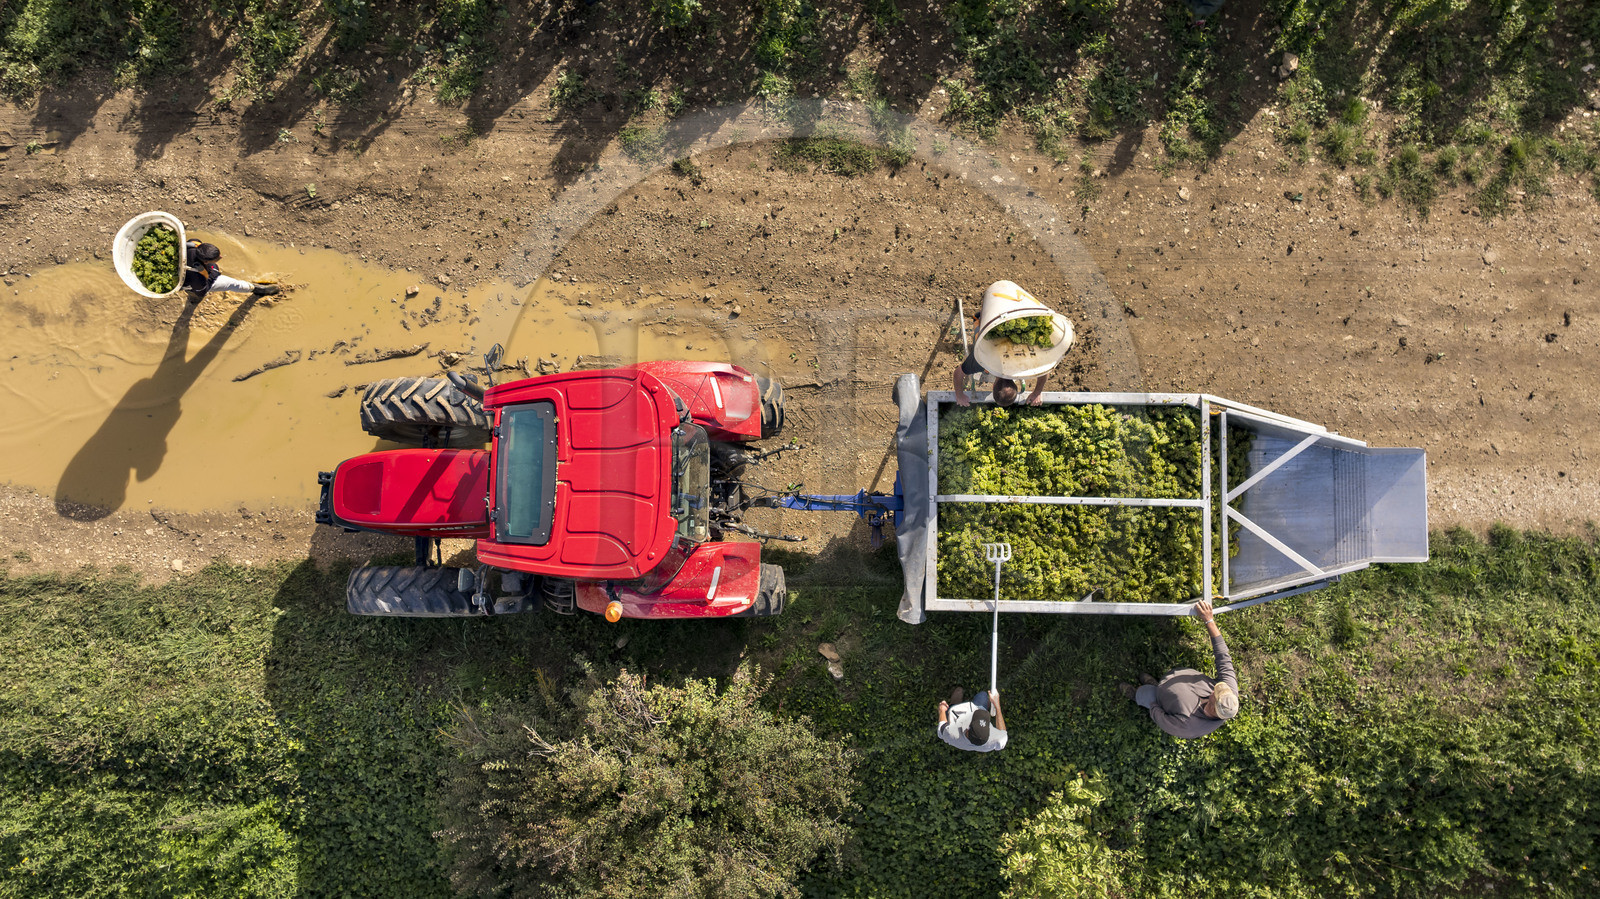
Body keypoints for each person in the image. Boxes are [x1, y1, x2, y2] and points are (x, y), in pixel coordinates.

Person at [1120, 599, 1239, 739]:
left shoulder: (1188, 726)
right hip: (1172, 681)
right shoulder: (1229, 695)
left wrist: (1156, 704)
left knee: (1144, 694)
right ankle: (1157, 684)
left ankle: (1137, 694)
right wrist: (1209, 620)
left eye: (1215, 693)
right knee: (1157, 686)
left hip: (1158, 699)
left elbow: (1162, 720)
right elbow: (1223, 657)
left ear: (1213, 706)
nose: (1215, 690)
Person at [952, 313, 1046, 408]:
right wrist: (959, 396)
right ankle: (979, 317)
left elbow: (1045, 371)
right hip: (990, 320)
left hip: (1015, 318)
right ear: (993, 387)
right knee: (979, 333)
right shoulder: (983, 361)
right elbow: (958, 373)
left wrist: (1037, 392)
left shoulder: (1023, 364)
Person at [183, 240, 279, 304]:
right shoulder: (198, 279)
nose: (221, 257)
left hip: (193, 266)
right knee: (232, 284)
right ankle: (256, 289)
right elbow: (203, 290)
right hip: (194, 283)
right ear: (206, 261)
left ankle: (193, 297)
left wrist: (212, 267)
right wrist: (214, 272)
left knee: (213, 265)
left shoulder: (193, 244)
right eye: (217, 258)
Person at [936, 687, 1007, 752]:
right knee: (983, 695)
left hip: (957, 714)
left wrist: (942, 710)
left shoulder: (951, 733)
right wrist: (997, 705)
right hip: (974, 709)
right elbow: (1003, 733)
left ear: (967, 729)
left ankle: (953, 704)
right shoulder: (996, 740)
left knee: (959, 691)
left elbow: (941, 729)